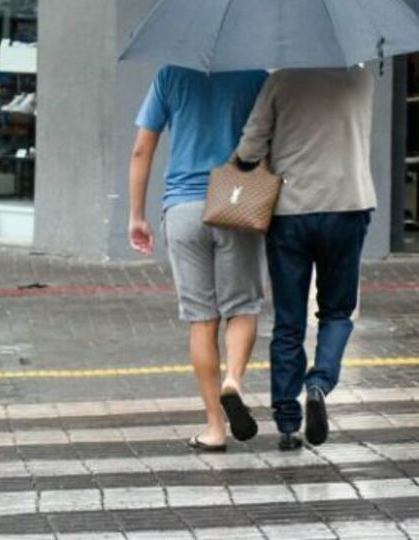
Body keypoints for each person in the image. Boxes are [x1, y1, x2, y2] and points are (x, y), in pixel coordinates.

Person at [130, 64, 268, 451]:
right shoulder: (255, 76)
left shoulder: (170, 76)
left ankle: (214, 428)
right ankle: (234, 381)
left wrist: (137, 215)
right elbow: (271, 140)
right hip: (235, 201)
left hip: (183, 207)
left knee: (201, 320)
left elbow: (142, 148)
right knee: (242, 307)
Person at [236, 66, 375, 451]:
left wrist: (250, 162)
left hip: (290, 212)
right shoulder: (360, 78)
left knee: (289, 321)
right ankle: (319, 383)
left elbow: (250, 149)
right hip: (348, 205)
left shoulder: (281, 80)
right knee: (336, 312)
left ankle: (286, 423)